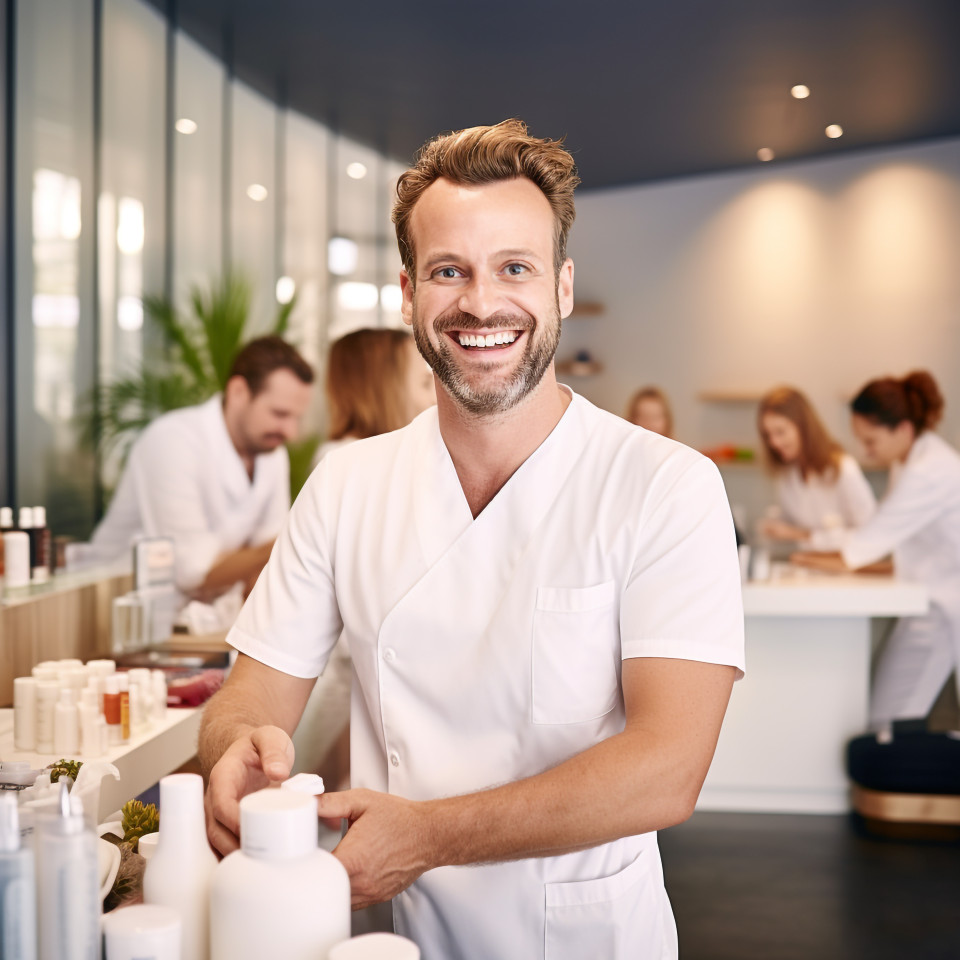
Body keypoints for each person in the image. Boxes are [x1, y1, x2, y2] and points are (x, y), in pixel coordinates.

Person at [200, 120, 744, 960]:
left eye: (514, 268)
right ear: (409, 293)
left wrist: (428, 836)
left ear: (562, 287)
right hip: (388, 929)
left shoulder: (664, 485)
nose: (481, 304)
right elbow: (251, 695)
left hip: (580, 934)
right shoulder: (348, 483)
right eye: (449, 271)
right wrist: (235, 751)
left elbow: (668, 766)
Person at [295, 327, 436, 783]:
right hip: (334, 663)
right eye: (420, 384)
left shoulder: (397, 460)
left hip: (352, 662)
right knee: (305, 782)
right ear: (384, 388)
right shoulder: (344, 462)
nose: (436, 395)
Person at [793, 371, 960, 729]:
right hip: (930, 600)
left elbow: (862, 547)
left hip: (945, 608)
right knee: (886, 714)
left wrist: (800, 556)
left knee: (886, 718)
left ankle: (886, 775)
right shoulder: (911, 462)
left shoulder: (927, 472)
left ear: (902, 430)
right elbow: (879, 541)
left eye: (871, 441)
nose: (866, 452)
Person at [90, 335, 314, 600]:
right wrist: (292, 541)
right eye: (279, 414)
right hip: (113, 608)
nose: (291, 432)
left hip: (202, 616)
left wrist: (269, 552)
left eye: (296, 418)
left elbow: (267, 565)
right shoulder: (173, 440)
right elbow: (193, 573)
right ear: (238, 392)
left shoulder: (271, 452)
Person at [756, 386, 876, 544]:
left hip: (843, 566)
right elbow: (791, 519)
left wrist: (802, 535)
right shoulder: (788, 473)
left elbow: (872, 533)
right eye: (768, 435)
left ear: (803, 427)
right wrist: (775, 525)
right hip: (805, 564)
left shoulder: (843, 469)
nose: (774, 442)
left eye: (780, 432)